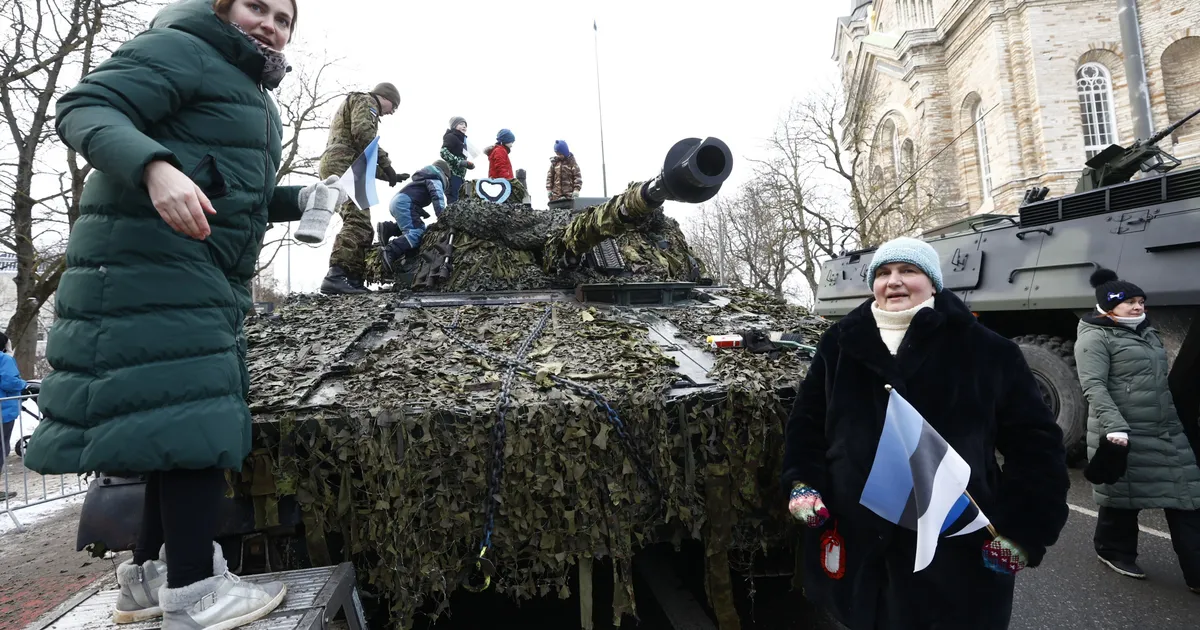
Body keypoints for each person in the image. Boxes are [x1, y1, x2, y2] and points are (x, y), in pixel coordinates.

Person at [22, 1, 336, 627]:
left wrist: (298, 197)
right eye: (257, 6)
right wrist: (154, 167)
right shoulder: (187, 49)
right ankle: (196, 592)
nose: (271, 24)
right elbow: (85, 107)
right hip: (151, 262)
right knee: (200, 423)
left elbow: (221, 192)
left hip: (188, 267)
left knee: (171, 428)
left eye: (284, 17)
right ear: (221, 6)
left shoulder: (248, 94)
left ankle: (148, 575)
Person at [781, 237, 1069, 629]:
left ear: (933, 282)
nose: (894, 281)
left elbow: (1036, 448)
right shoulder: (839, 344)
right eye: (883, 273)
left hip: (953, 547)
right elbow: (808, 422)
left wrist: (1024, 532)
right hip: (857, 536)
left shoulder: (988, 350)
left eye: (908, 271)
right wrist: (802, 482)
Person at [1074, 269, 1200, 591]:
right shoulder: (1094, 336)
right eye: (1129, 302)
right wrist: (1115, 426)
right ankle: (1112, 549)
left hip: (1165, 428)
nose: (1137, 307)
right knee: (1123, 495)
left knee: (1186, 494)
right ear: (1108, 306)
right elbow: (1094, 386)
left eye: (1141, 301)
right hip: (1122, 429)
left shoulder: (1145, 331)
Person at [318, 82, 405, 295]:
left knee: (363, 224)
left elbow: (361, 152)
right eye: (393, 106)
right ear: (385, 97)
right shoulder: (366, 101)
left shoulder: (359, 103)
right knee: (357, 220)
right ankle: (336, 275)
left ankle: (351, 278)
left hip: (345, 164)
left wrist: (388, 175)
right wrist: (386, 163)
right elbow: (363, 135)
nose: (391, 112)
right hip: (344, 164)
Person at [377, 160, 451, 272]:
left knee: (410, 226)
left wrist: (421, 212)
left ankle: (389, 228)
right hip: (405, 203)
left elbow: (416, 196)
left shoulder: (425, 177)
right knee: (417, 232)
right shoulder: (436, 178)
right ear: (445, 174)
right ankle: (390, 251)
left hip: (399, 201)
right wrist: (443, 216)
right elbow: (437, 196)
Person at [0, 331, 25, 500]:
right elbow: (9, 381)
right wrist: (24, 384)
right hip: (4, 411)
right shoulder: (4, 359)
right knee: (1, 448)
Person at [440, 116, 474, 205]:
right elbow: (443, 152)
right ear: (454, 126)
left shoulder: (463, 140)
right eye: (461, 124)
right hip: (452, 175)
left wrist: (468, 164)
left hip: (461, 177)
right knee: (454, 202)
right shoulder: (451, 136)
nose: (464, 126)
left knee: (463, 200)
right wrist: (459, 162)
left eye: (465, 125)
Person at [546, 140, 582, 208]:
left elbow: (577, 177)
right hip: (556, 196)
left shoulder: (572, 163)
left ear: (565, 152)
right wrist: (549, 190)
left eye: (560, 154)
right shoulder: (554, 163)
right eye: (557, 154)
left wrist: (576, 190)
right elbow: (549, 177)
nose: (559, 156)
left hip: (569, 196)